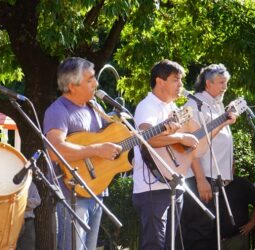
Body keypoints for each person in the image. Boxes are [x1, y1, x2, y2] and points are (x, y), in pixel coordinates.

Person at [43, 57, 122, 250]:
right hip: (72, 195)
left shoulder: (94, 107)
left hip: (97, 190)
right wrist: (95, 149)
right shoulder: (58, 111)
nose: (96, 83)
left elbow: (112, 140)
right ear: (72, 86)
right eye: (90, 79)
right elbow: (55, 151)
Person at [132, 59, 201, 249]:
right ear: (160, 81)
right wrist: (180, 137)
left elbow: (195, 143)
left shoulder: (172, 108)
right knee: (154, 245)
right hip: (153, 188)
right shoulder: (148, 106)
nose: (181, 85)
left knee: (171, 245)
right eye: (176, 80)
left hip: (173, 182)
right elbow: (146, 138)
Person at [181, 63, 238, 250]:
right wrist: (200, 180)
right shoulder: (195, 105)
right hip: (202, 179)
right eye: (221, 82)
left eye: (226, 83)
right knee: (200, 232)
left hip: (216, 179)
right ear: (208, 83)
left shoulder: (216, 104)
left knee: (214, 232)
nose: (225, 87)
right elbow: (191, 145)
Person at [219, 167, 255, 250]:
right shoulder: (209, 183)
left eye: (233, 165)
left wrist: (252, 222)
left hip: (237, 238)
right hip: (212, 239)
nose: (232, 168)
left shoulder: (242, 183)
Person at [16, 181, 41, 250]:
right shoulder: (12, 185)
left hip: (28, 221)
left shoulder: (31, 184)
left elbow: (37, 200)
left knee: (29, 247)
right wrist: (26, 206)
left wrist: (25, 202)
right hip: (14, 222)